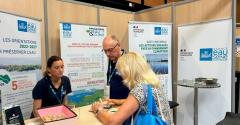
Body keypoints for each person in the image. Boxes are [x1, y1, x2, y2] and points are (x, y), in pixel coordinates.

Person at [91, 52, 172, 125]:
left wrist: (98, 109)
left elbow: (112, 122)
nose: (121, 75)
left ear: (127, 71)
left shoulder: (139, 89)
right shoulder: (152, 83)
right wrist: (120, 101)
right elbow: (143, 102)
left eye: (120, 71)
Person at [102, 35, 130, 99]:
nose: (107, 54)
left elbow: (137, 93)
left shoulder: (128, 62)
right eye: (105, 51)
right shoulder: (111, 60)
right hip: (112, 104)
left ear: (119, 45)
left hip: (125, 105)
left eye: (110, 50)